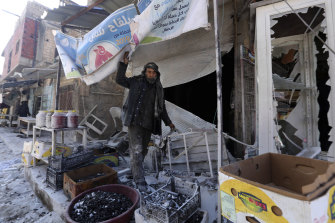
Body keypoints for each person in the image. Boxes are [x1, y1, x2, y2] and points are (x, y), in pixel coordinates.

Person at [116, 52, 175, 192]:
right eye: (149, 72)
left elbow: (162, 108)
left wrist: (169, 122)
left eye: (153, 72)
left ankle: (134, 170)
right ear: (145, 72)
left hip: (149, 125)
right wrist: (123, 65)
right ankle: (140, 182)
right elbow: (120, 79)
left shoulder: (158, 89)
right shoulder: (135, 81)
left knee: (142, 152)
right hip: (135, 122)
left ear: (156, 74)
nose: (151, 74)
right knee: (136, 151)